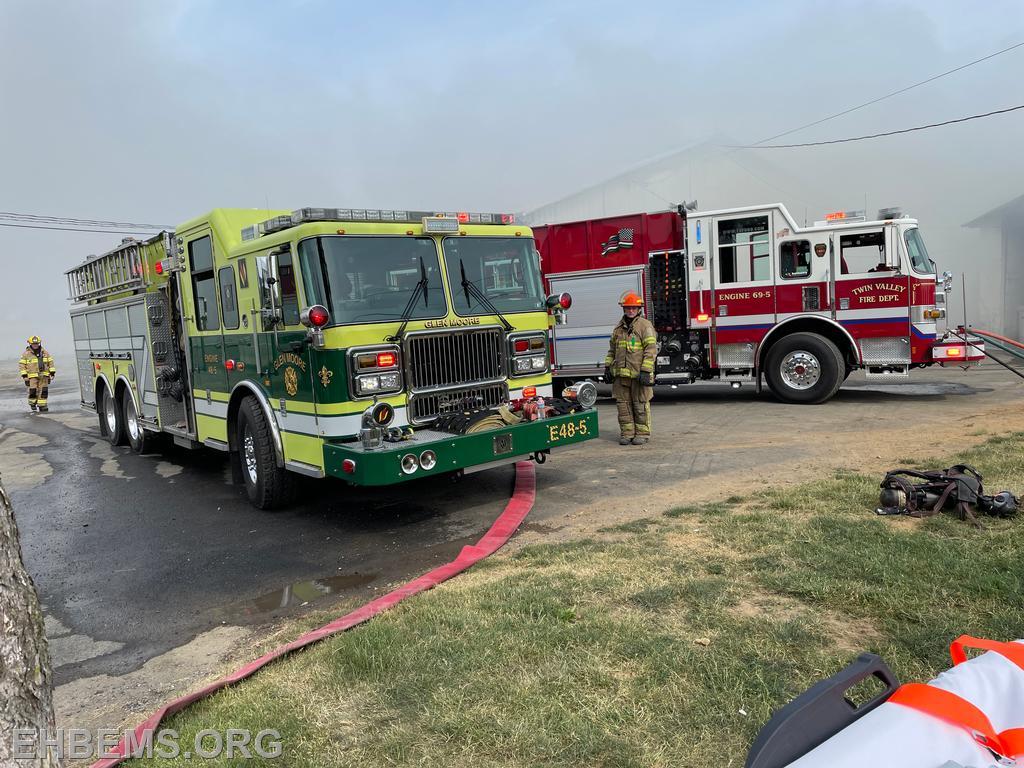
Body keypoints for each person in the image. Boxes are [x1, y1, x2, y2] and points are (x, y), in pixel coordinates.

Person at [603, 292, 657, 445]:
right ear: (623, 309)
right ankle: (627, 433)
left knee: (640, 404)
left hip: (639, 375)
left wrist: (646, 371)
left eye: (634, 308)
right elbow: (612, 350)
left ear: (638, 308)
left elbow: (651, 349)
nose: (631, 310)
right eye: (628, 308)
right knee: (623, 406)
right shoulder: (618, 328)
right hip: (621, 375)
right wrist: (608, 367)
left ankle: (642, 433)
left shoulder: (644, 326)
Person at [18, 336, 56, 413]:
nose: (35, 345)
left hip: (44, 375)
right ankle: (33, 403)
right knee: (33, 390)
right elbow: (22, 366)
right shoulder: (26, 354)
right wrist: (24, 376)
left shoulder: (45, 352)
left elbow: (50, 363)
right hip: (32, 377)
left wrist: (52, 373)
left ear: (39, 343)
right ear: (30, 344)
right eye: (33, 343)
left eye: (36, 343)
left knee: (43, 391)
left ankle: (42, 406)